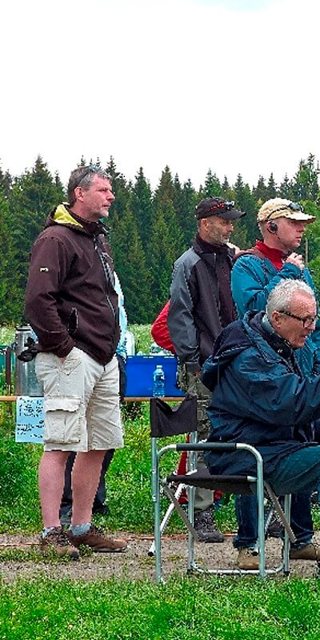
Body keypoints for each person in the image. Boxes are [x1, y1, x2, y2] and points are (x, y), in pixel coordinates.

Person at [230, 198, 320, 566]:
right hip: (255, 442)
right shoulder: (248, 267)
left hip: (296, 390)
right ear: (271, 226)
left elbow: (311, 329)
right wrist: (285, 276)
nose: (302, 229)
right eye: (294, 223)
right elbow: (253, 309)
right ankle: (251, 542)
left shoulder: (298, 296)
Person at [202, 279, 320, 570]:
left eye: (314, 318)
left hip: (275, 447)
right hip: (243, 454)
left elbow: (307, 390)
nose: (311, 327)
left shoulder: (284, 344)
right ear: (277, 318)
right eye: (305, 319)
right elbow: (290, 404)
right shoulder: (248, 357)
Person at [24, 164, 127, 558]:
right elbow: (38, 300)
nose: (110, 196)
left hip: (103, 356)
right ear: (79, 194)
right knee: (60, 442)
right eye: (103, 189)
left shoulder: (97, 238)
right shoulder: (56, 238)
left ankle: (81, 526)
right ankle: (51, 531)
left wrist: (107, 348)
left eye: (110, 189)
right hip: (72, 356)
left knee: (99, 443)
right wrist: (66, 347)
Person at [167, 196, 246, 543]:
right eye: (224, 221)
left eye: (232, 222)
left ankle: (250, 508)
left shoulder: (235, 261)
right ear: (204, 223)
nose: (230, 227)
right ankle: (201, 511)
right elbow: (180, 316)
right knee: (202, 437)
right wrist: (192, 361)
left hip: (239, 364)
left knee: (244, 432)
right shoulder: (187, 264)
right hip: (203, 365)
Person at [60, 273, 128, 523]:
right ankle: (67, 503)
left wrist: (120, 353)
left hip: (114, 357)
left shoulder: (108, 267)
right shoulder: (74, 267)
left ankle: (94, 499)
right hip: (83, 354)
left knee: (104, 438)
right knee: (73, 433)